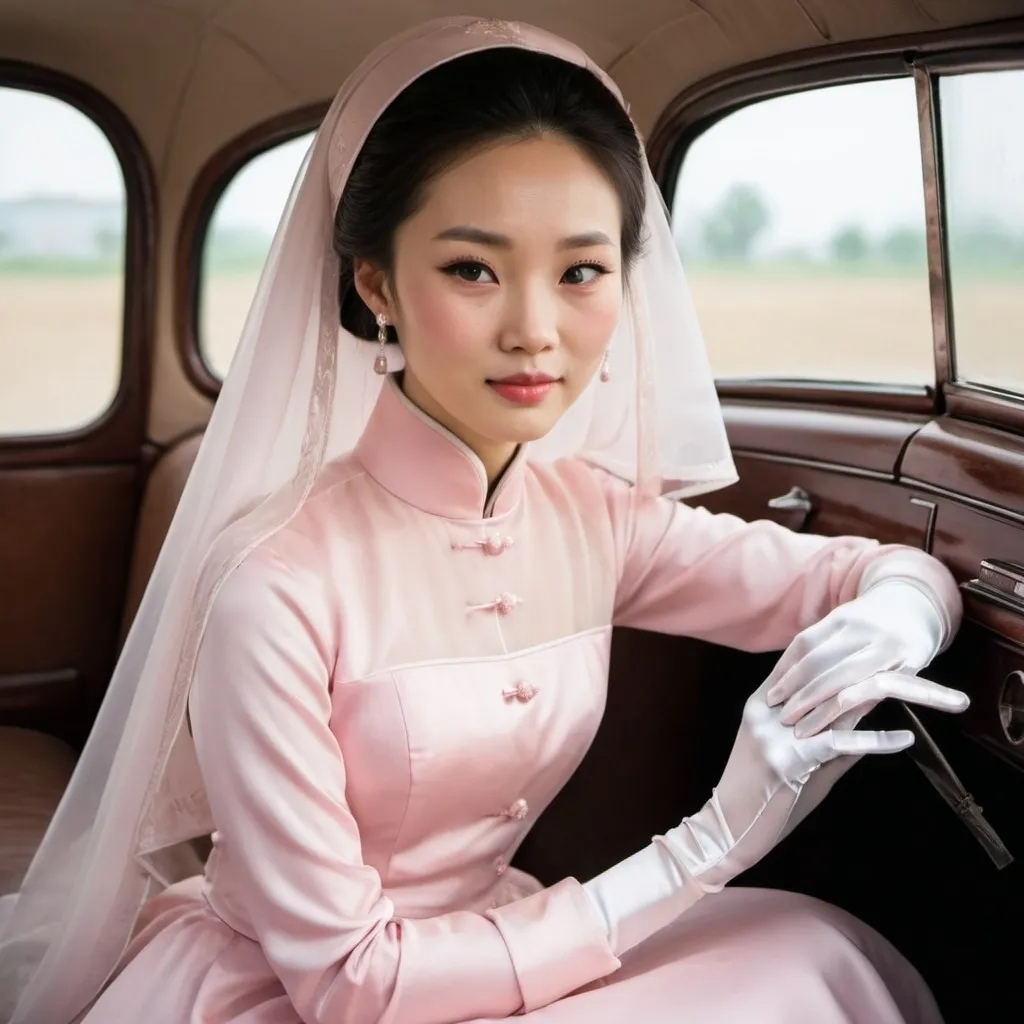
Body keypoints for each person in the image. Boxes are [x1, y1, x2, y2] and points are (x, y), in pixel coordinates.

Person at [0, 17, 969, 1024]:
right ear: (376, 283)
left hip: (512, 946)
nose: (535, 330)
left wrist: (900, 616)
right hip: (310, 991)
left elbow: (871, 573)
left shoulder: (594, 517)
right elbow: (349, 982)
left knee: (814, 951)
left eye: (581, 271)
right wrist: (714, 835)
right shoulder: (273, 581)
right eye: (473, 268)